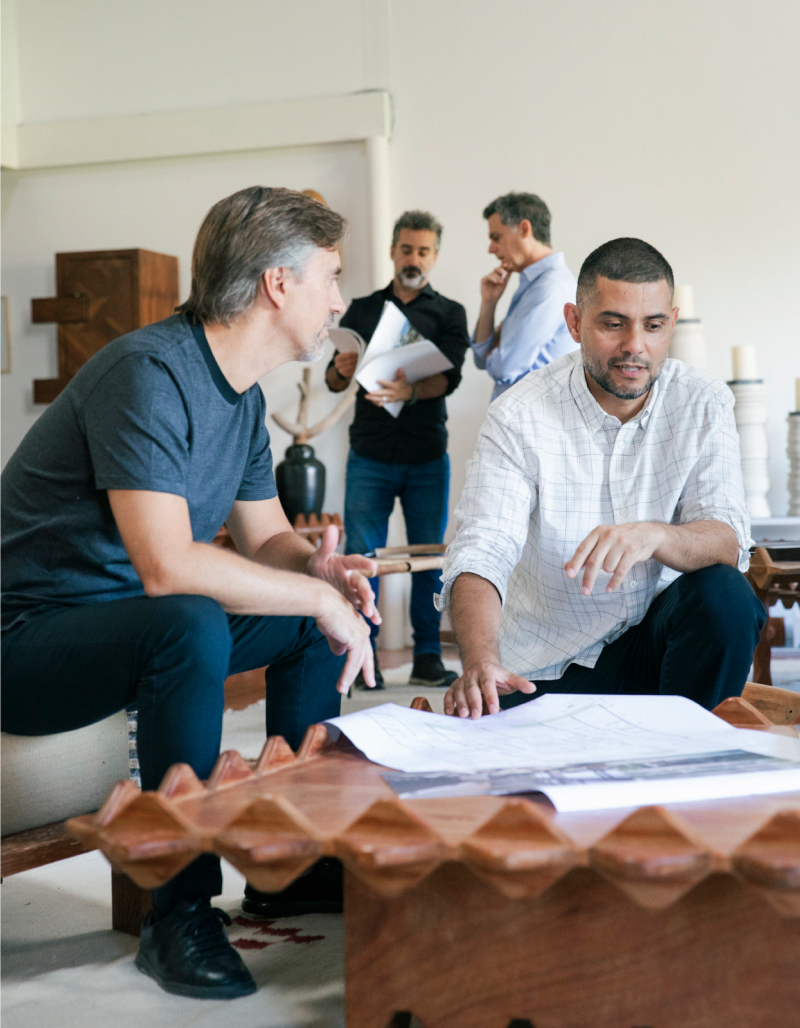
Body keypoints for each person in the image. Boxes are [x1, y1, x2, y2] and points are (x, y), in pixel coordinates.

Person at [1, 187, 380, 1000]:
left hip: (119, 624)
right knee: (190, 623)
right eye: (331, 276)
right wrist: (314, 596)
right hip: (26, 642)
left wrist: (318, 573)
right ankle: (178, 913)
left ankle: (293, 866)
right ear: (279, 284)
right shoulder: (148, 374)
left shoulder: (241, 398)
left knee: (304, 623)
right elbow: (166, 567)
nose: (340, 300)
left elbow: (268, 539)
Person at [440, 237, 765, 720]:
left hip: (658, 657)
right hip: (544, 670)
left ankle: (689, 757)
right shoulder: (519, 415)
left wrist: (655, 535)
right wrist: (481, 661)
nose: (635, 346)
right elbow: (482, 550)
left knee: (726, 595)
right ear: (574, 323)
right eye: (613, 324)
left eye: (653, 326)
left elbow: (727, 537)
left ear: (671, 324)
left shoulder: (703, 401)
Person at [326, 210, 469, 689]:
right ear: (392, 250)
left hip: (427, 453)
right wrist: (342, 370)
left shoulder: (450, 313)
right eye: (406, 248)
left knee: (430, 559)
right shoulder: (363, 309)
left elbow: (450, 379)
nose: (414, 258)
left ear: (435, 256)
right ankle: (363, 652)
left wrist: (410, 392)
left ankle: (428, 655)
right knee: (363, 558)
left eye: (423, 250)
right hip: (369, 452)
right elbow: (330, 377)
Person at [471, 191, 578, 401]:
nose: (491, 248)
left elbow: (503, 368)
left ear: (524, 229)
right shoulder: (532, 286)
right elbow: (480, 359)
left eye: (496, 237)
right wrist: (489, 303)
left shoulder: (550, 288)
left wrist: (497, 348)